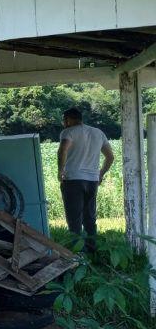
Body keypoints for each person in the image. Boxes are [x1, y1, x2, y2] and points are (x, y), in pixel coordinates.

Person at [57, 107, 114, 251]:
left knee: (74, 219)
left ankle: (77, 254)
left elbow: (63, 149)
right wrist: (101, 173)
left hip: (73, 180)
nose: (64, 123)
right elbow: (110, 156)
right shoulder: (98, 133)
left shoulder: (68, 132)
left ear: (68, 119)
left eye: (64, 120)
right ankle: (92, 249)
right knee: (89, 217)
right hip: (92, 180)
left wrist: (60, 170)